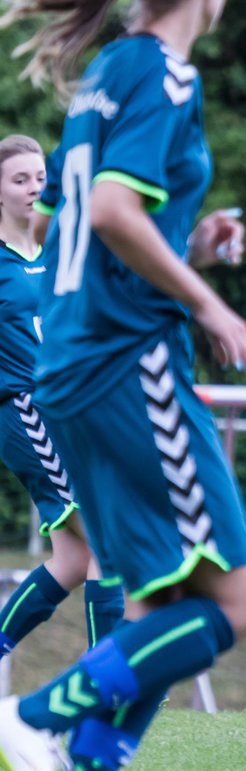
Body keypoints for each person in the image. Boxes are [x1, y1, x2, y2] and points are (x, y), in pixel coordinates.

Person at [0, 0, 246, 771]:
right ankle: (35, 717)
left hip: (73, 364)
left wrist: (192, 251)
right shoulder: (163, 72)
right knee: (234, 600)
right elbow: (113, 211)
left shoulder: (110, 70)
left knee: (160, 604)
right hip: (128, 363)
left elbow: (87, 226)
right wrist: (207, 300)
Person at [0, 135, 126, 666]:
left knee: (75, 559)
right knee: (105, 535)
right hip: (24, 410)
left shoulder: (56, 250)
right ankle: (106, 678)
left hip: (67, 410)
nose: (34, 189)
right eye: (20, 179)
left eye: (40, 179)